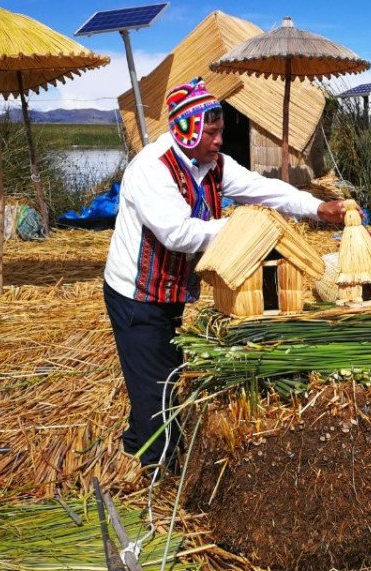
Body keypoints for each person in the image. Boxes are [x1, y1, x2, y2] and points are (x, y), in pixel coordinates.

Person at [103, 77, 347, 468]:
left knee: (163, 369)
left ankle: (138, 441)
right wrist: (247, 228)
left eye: (220, 133)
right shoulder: (152, 168)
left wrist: (316, 208)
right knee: (155, 381)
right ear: (187, 129)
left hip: (173, 288)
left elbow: (261, 188)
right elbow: (178, 233)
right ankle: (156, 469)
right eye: (212, 133)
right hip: (138, 293)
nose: (220, 141)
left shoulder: (212, 164)